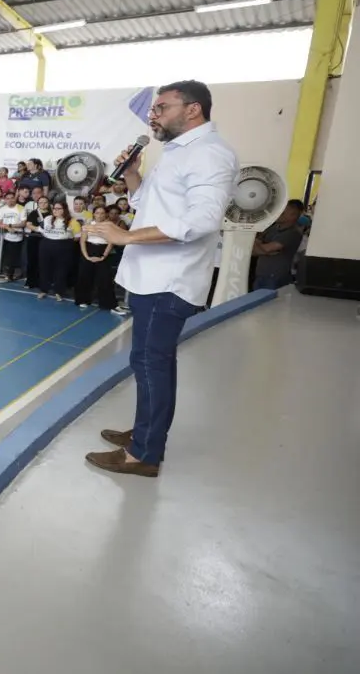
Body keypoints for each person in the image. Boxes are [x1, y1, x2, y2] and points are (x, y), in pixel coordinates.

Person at [83, 80, 238, 477]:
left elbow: (202, 220)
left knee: (153, 363)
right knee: (149, 361)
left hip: (169, 280)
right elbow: (148, 204)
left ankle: (144, 454)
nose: (153, 115)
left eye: (161, 108)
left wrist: (126, 237)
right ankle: (145, 433)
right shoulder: (177, 152)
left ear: (193, 109)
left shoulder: (209, 154)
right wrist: (133, 175)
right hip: (151, 277)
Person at [252, 199, 304, 290]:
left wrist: (256, 245)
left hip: (275, 278)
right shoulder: (272, 228)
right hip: (261, 275)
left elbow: (266, 249)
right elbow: (255, 249)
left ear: (293, 215)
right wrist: (260, 248)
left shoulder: (292, 233)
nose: (278, 214)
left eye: (282, 213)